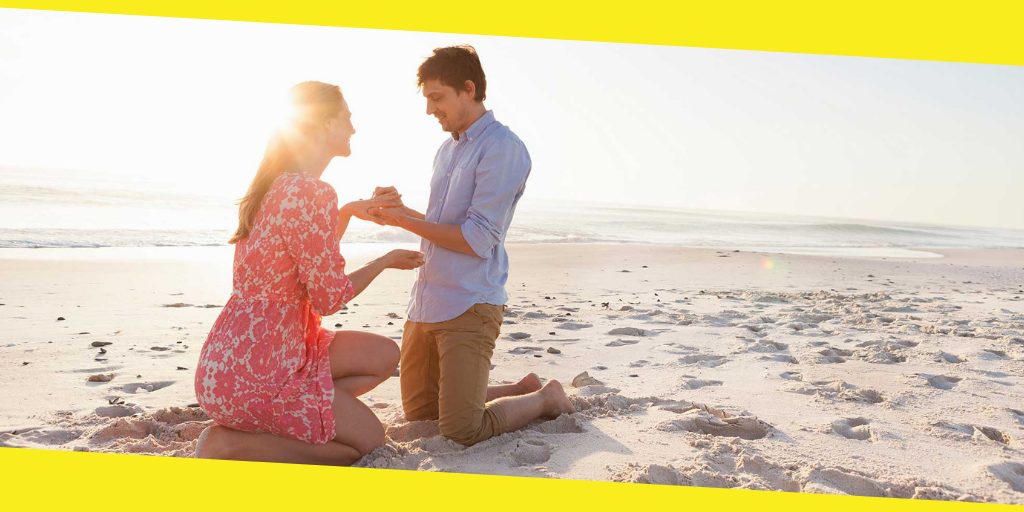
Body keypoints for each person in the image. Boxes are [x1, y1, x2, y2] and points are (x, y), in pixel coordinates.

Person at [193, 81, 424, 465]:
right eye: (348, 118)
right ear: (325, 123)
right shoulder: (312, 192)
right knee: (369, 445)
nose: (353, 128)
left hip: (229, 361)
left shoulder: (272, 187)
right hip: (264, 369)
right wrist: (383, 262)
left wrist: (347, 212)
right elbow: (329, 298)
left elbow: (307, 259)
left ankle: (305, 407)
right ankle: (225, 446)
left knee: (384, 354)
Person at [370, 46, 575, 447]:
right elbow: (441, 226)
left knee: (462, 428)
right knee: (421, 411)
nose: (430, 109)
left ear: (468, 89)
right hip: (427, 300)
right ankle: (519, 386)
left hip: (469, 303)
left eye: (437, 97)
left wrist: (405, 221)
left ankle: (544, 397)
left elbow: (477, 238)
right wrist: (397, 210)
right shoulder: (447, 149)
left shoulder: (503, 148)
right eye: (427, 99)